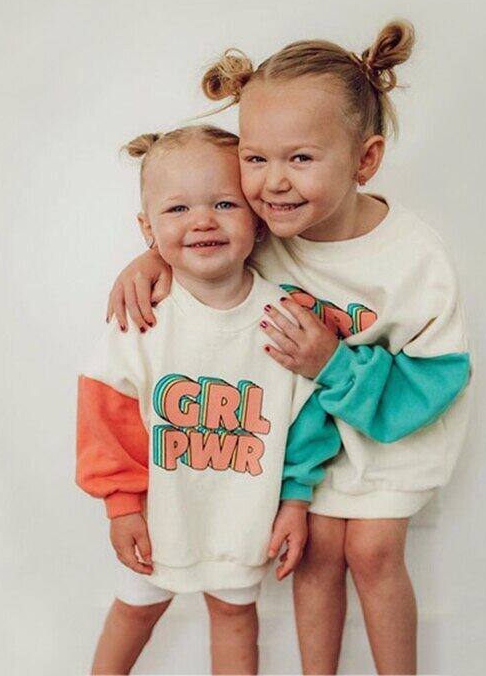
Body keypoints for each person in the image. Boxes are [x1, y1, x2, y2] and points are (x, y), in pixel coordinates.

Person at [105, 20, 473, 675]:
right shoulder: (267, 234)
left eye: (300, 159)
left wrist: (333, 362)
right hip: (310, 434)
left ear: (365, 160)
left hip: (398, 424)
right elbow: (205, 243)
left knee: (371, 551)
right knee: (319, 549)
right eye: (256, 159)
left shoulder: (414, 258)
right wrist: (151, 259)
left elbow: (438, 379)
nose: (273, 183)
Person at [76, 124, 341, 675]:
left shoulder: (285, 318)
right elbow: (106, 417)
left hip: (241, 517)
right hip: (158, 516)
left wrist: (295, 501)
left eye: (224, 204)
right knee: (135, 611)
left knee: (235, 616)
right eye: (178, 209)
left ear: (257, 220)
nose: (202, 221)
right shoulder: (142, 317)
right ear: (147, 229)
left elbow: (307, 419)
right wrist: (120, 505)